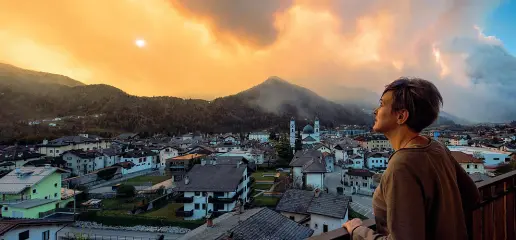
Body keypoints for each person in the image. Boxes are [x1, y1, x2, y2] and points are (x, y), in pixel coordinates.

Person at [343, 77, 480, 240]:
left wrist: (358, 231)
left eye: (381, 104)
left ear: (401, 116)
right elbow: (472, 196)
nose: (375, 111)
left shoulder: (402, 165)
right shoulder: (436, 147)